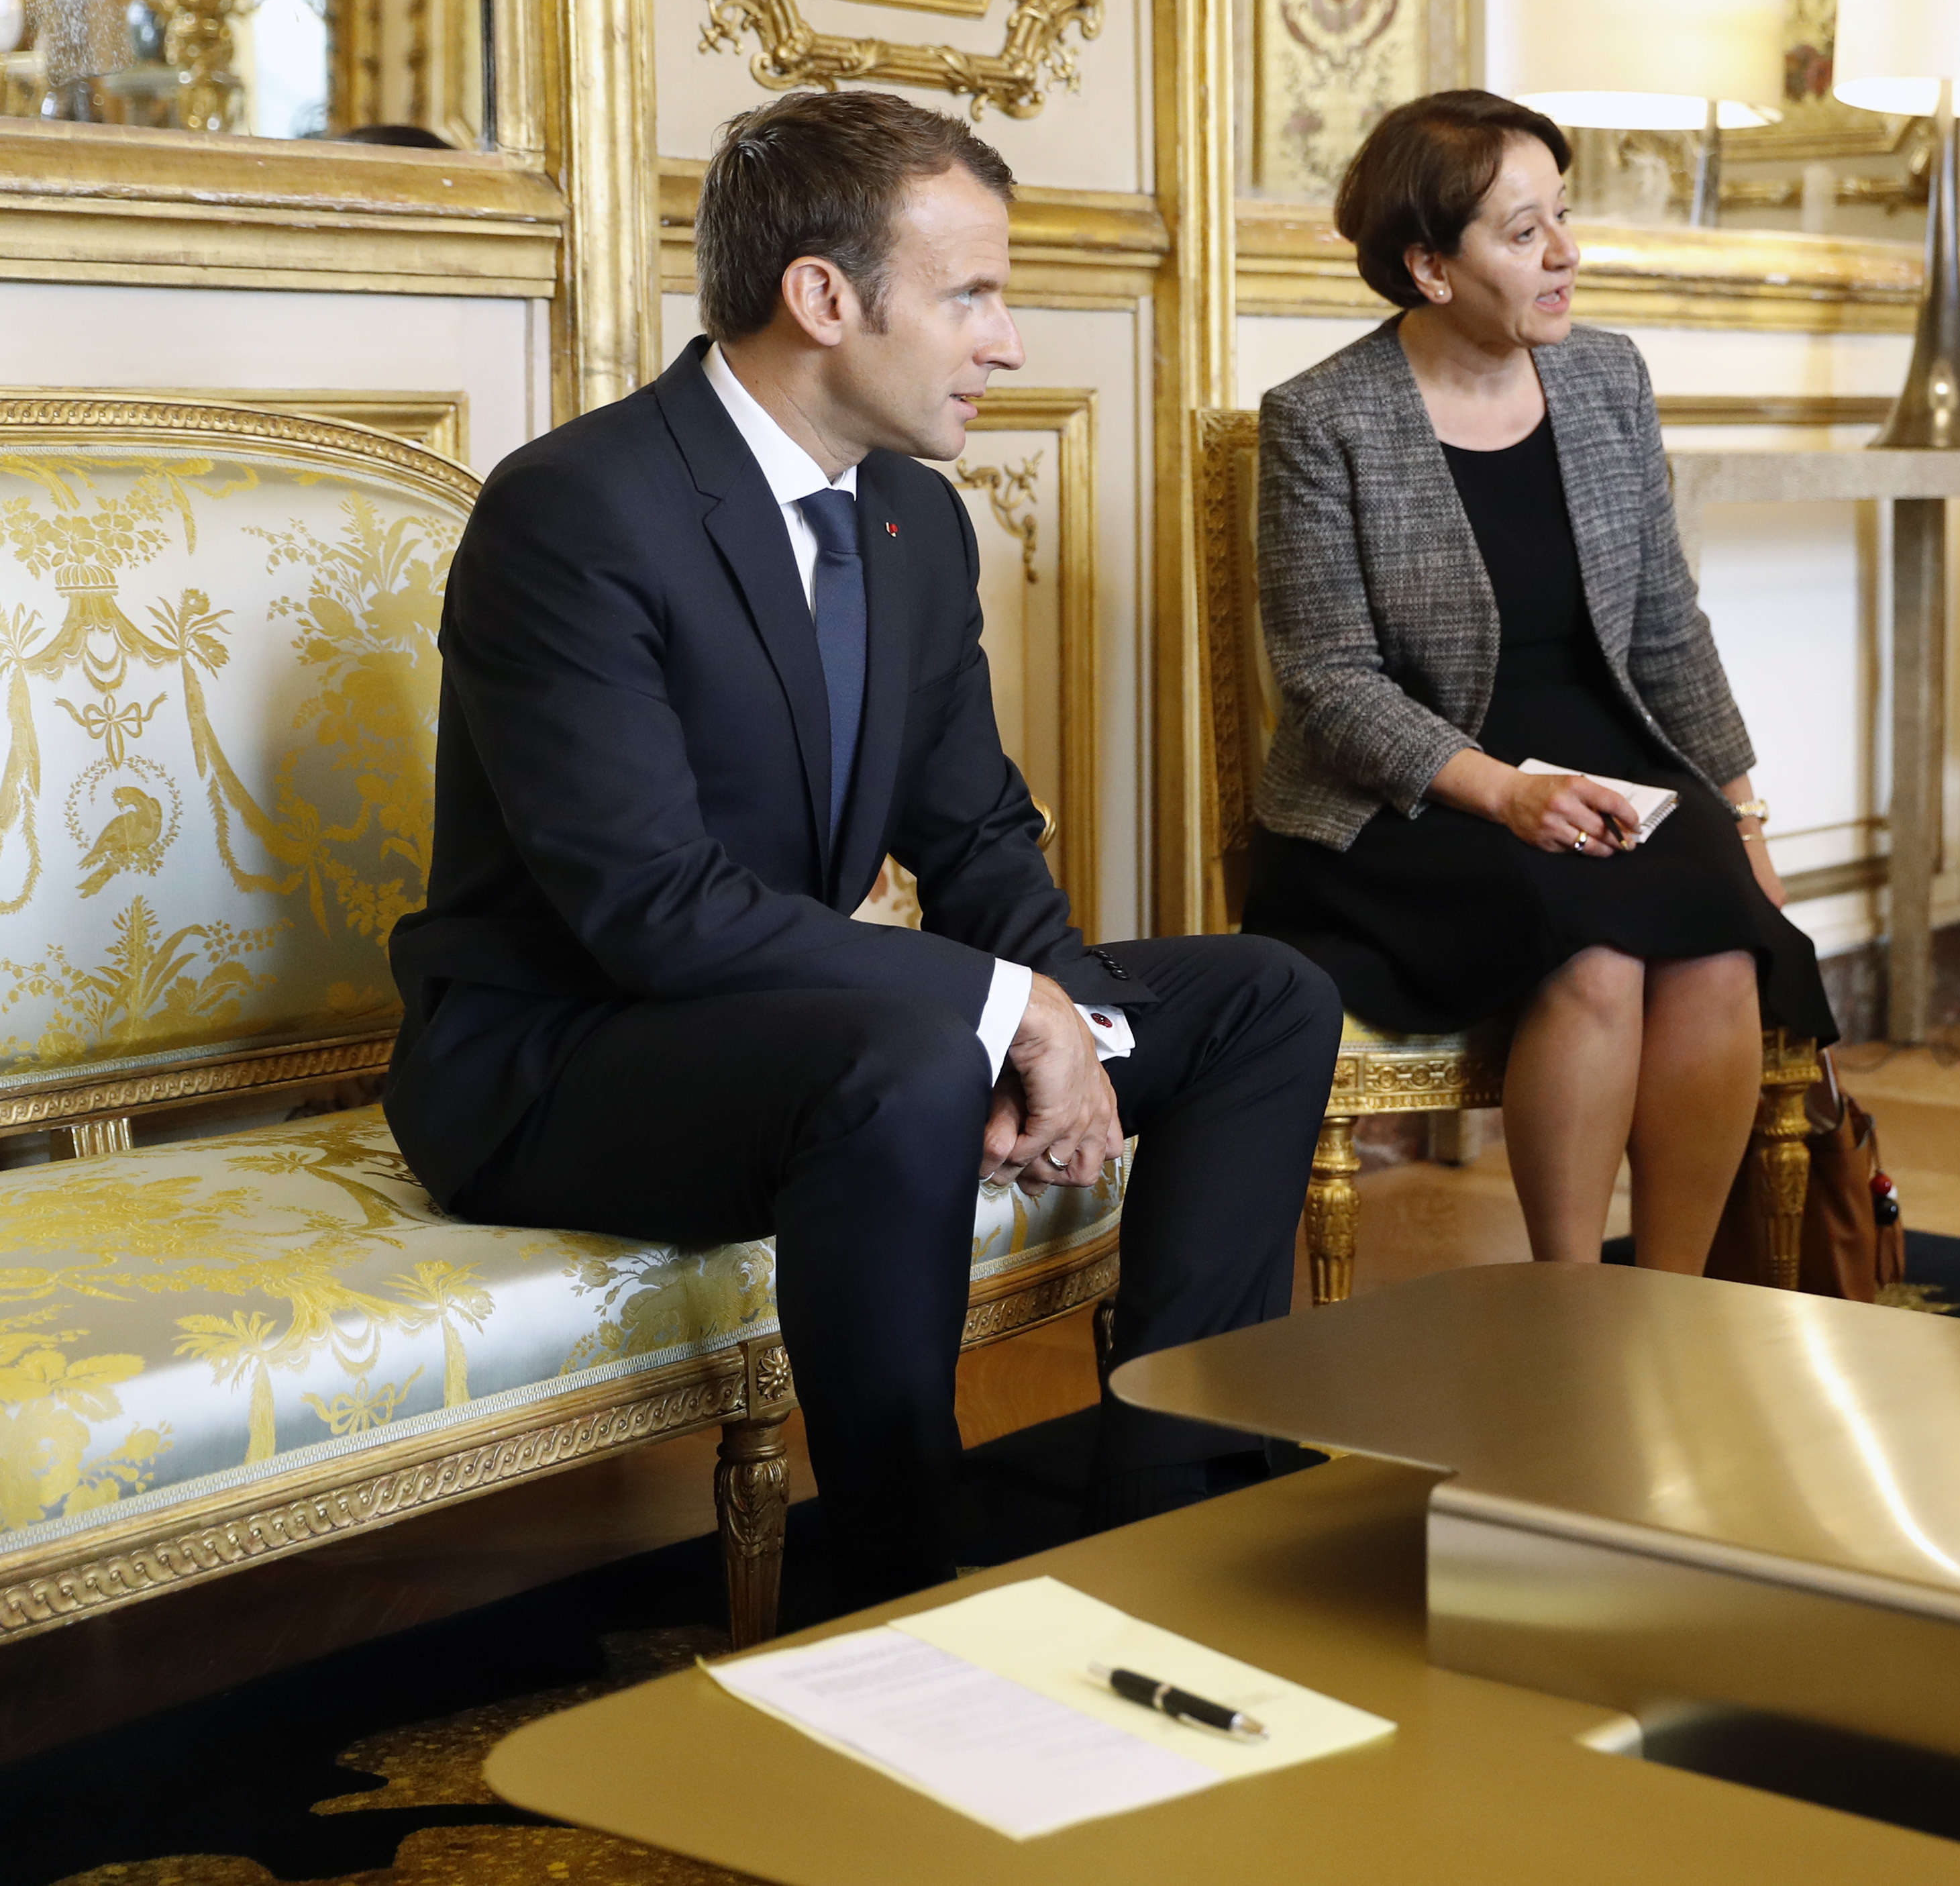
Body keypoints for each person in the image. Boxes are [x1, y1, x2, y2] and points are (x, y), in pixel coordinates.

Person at [385, 91, 1339, 1609]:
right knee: (900, 1059)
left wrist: (1076, 1022)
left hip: (808, 1026)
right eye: (973, 294)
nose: (1008, 340)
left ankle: (1175, 1504)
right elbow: (650, 909)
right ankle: (905, 1585)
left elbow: (970, 829)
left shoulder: (909, 516)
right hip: (564, 1055)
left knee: (1263, 997)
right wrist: (994, 1008)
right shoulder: (575, 512)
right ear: (823, 298)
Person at [1244, 89, 1837, 1273]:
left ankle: (1664, 1299)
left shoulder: (1609, 380)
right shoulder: (1323, 418)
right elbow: (1330, 682)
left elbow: (1667, 624)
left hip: (1610, 763)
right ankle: (1569, 1298)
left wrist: (1748, 815)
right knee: (1595, 946)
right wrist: (1505, 792)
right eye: (1525, 233)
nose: (1567, 254)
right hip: (1408, 797)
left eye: (1563, 216)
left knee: (1724, 940)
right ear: (1430, 267)